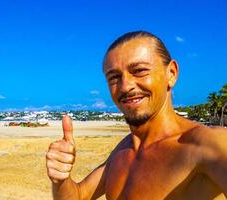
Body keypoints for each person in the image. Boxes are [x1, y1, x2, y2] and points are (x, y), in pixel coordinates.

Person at [46, 31, 227, 200]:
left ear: (171, 73)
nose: (125, 86)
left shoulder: (206, 144)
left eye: (139, 70)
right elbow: (79, 195)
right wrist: (61, 180)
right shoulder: (123, 149)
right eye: (114, 77)